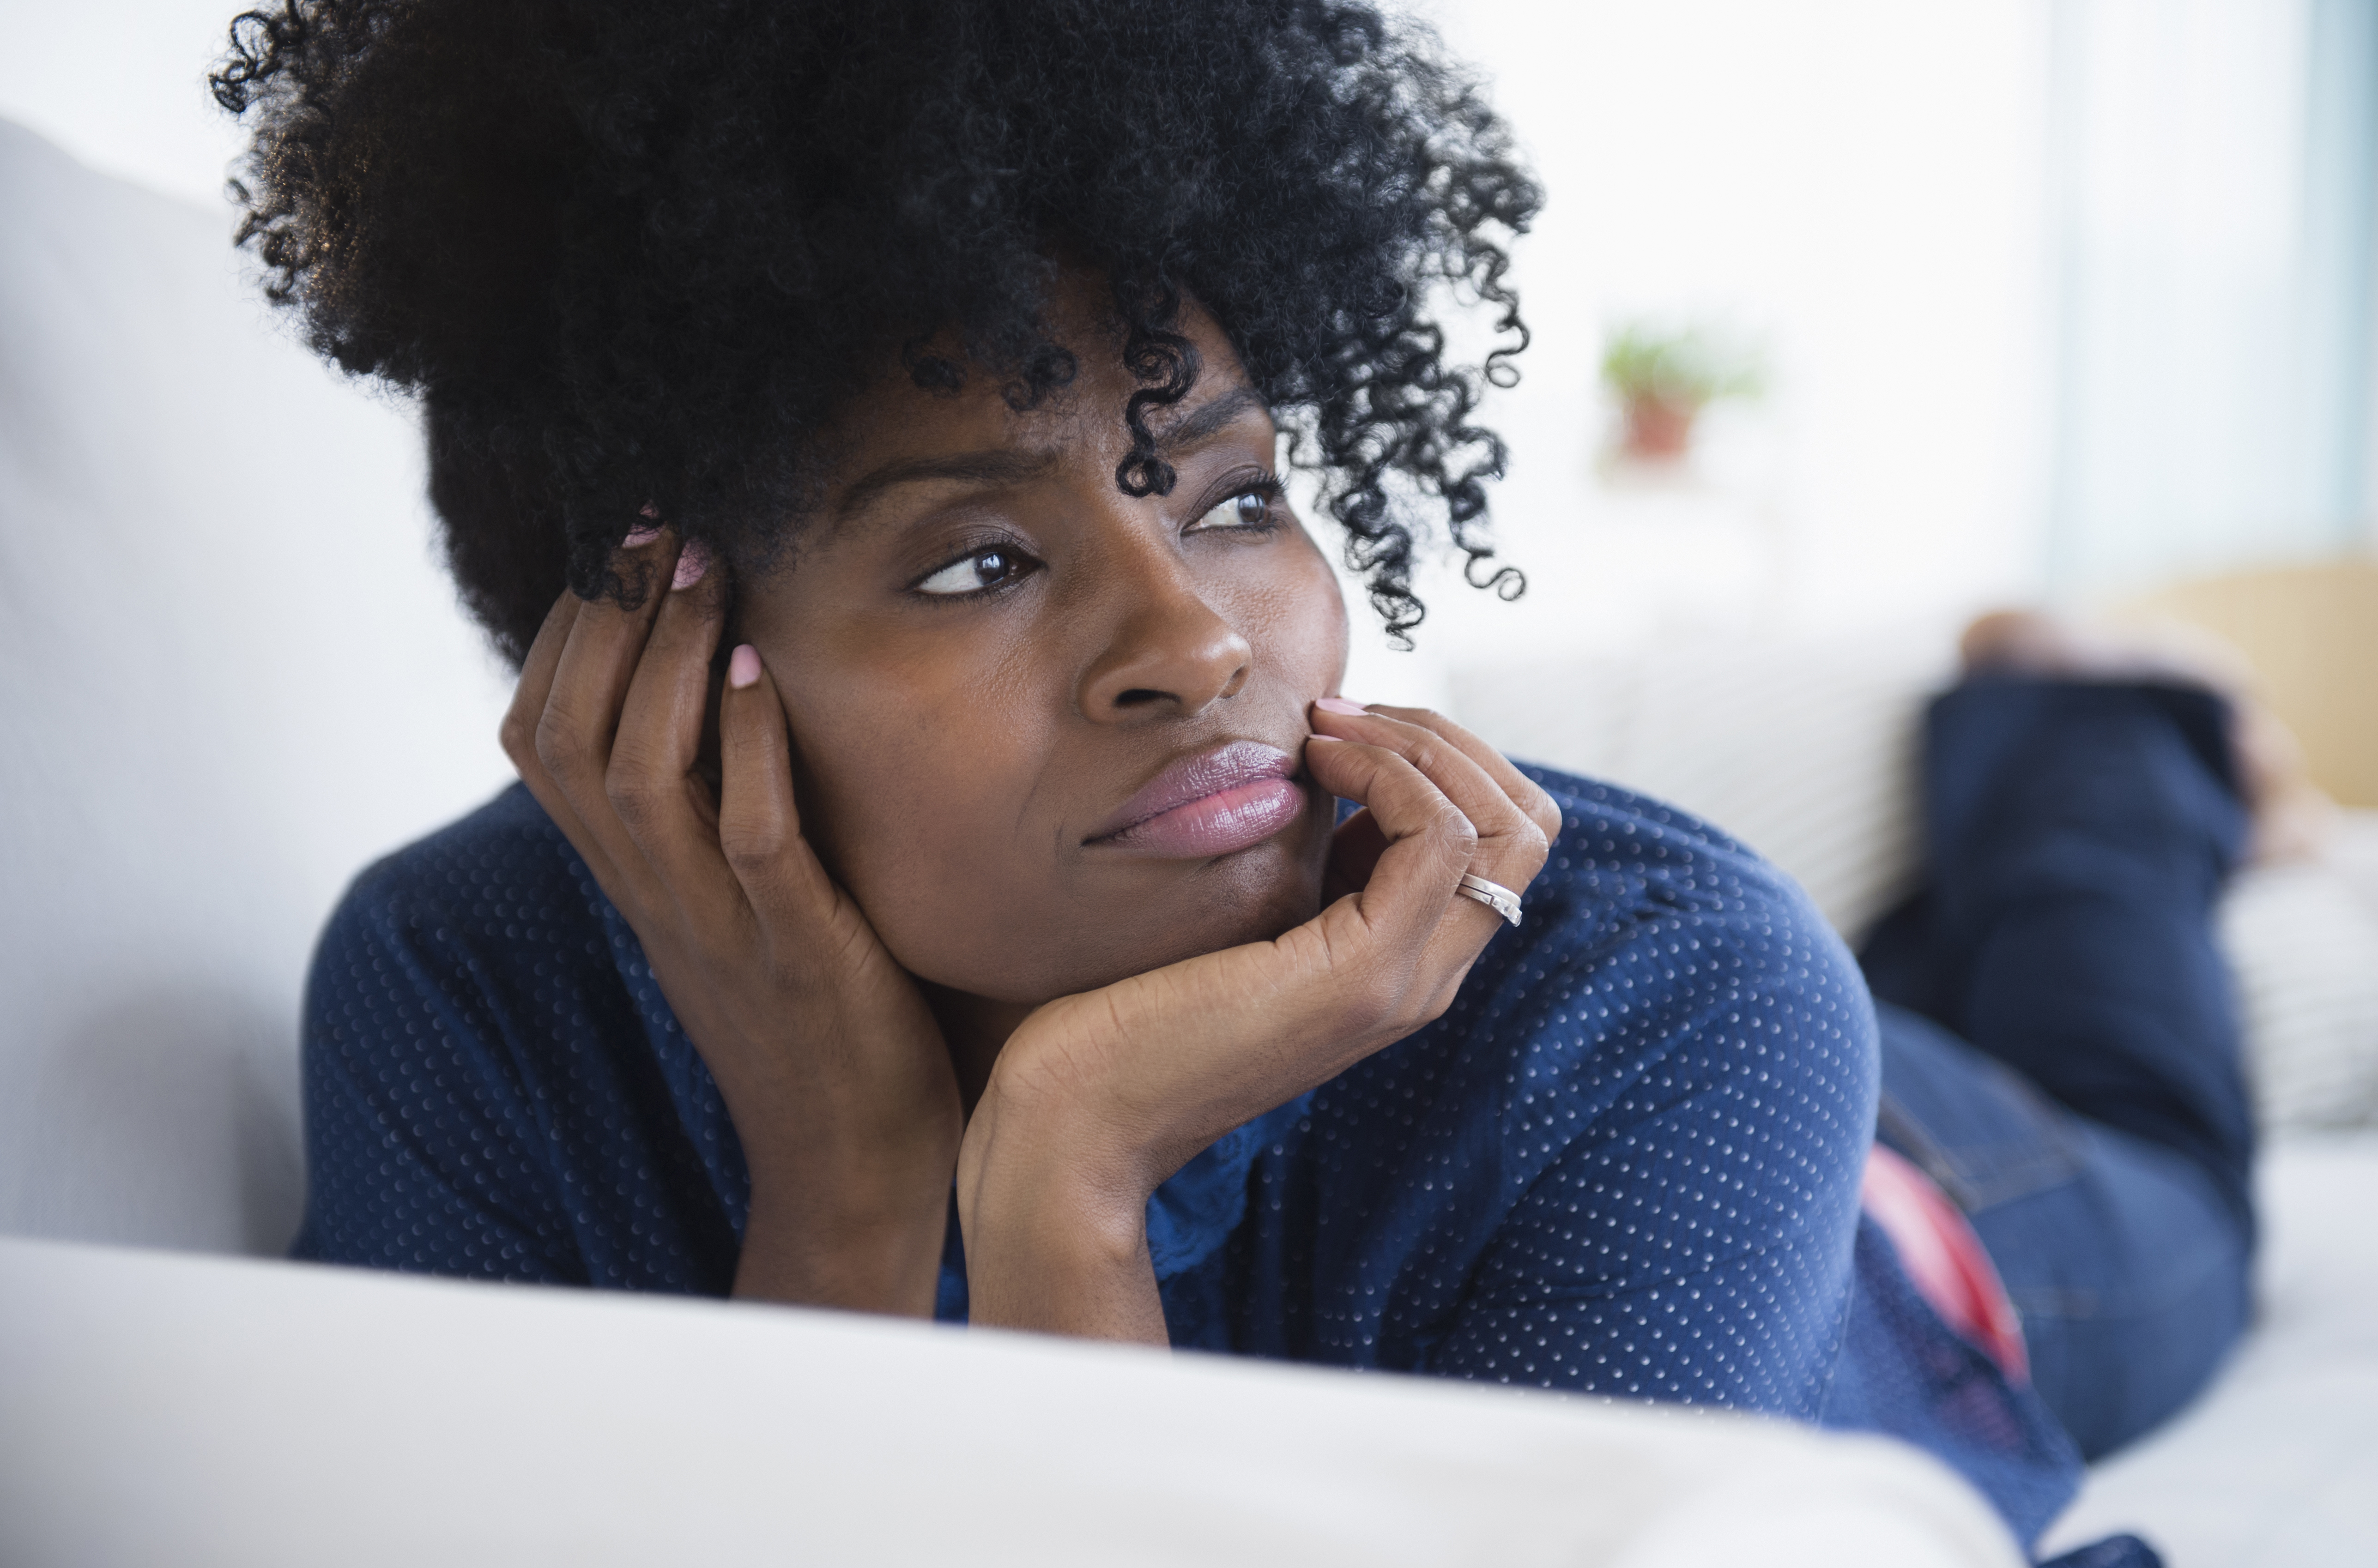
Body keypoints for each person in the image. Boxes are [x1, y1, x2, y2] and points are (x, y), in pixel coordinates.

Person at [213, 3, 2266, 1560]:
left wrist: (1065, 1170)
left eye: (1230, 498)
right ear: (660, 650)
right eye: (979, 561)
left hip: (1928, 1229)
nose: (1197, 647)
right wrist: (851, 1185)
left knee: (2140, 1083)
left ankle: (2093, 718)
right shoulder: (470, 994)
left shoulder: (1672, 1005)